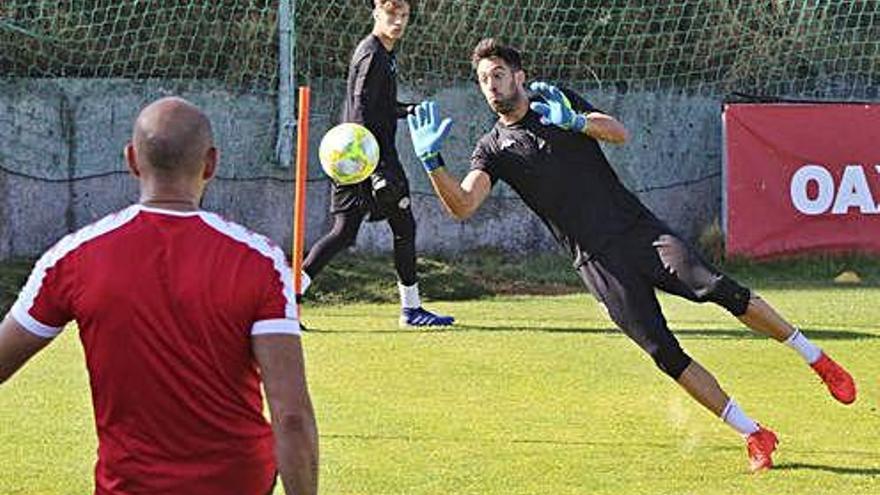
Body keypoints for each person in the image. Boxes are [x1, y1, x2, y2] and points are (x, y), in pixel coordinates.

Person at [405, 38, 857, 471]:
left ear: (520, 76)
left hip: (638, 233)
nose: (491, 85)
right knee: (664, 352)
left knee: (719, 289)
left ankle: (816, 359)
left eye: (499, 74)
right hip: (596, 263)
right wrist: (431, 162)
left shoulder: (556, 100)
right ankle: (754, 434)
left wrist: (574, 121)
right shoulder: (492, 149)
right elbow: (463, 205)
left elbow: (619, 133)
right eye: (484, 79)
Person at [0, 97, 319, 494]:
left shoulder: (71, 259)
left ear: (132, 160)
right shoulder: (260, 261)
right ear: (211, 163)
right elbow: (291, 416)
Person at [301, 0, 454, 328]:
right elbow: (359, 109)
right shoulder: (372, 54)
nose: (398, 21)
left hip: (362, 157)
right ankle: (410, 311)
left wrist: (409, 109)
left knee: (354, 232)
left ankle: (287, 300)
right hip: (365, 159)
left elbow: (379, 106)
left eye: (404, 15)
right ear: (376, 13)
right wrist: (375, 168)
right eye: (391, 14)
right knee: (385, 228)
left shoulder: (384, 53)